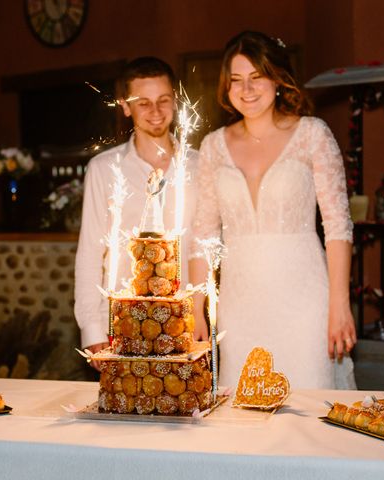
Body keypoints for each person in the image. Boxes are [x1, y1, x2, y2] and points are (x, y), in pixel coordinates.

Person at [189, 31, 356, 389]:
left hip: (305, 303)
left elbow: (339, 227)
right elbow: (203, 234)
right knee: (243, 416)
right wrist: (195, 306)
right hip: (239, 305)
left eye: (256, 77)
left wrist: (338, 305)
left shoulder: (312, 134)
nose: (246, 89)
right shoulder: (213, 146)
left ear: (277, 79)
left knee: (311, 407)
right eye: (236, 80)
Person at [75, 57, 199, 370]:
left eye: (163, 101)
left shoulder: (200, 165)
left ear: (176, 101)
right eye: (143, 103)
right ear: (126, 106)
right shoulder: (103, 169)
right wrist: (92, 327)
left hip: (186, 326)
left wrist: (202, 317)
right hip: (121, 326)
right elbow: (90, 252)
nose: (155, 112)